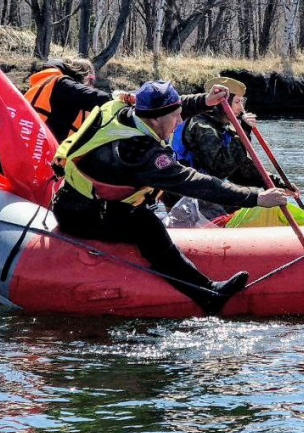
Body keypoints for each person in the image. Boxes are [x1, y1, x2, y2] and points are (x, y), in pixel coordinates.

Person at [51, 80, 290, 314]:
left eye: (179, 114)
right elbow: (194, 183)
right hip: (81, 214)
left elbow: (173, 107)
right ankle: (207, 294)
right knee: (146, 225)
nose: (179, 122)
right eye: (175, 118)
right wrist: (256, 198)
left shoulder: (121, 109)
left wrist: (205, 101)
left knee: (143, 215)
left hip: (83, 200)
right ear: (154, 119)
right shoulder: (138, 152)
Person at [0, 57, 126, 175]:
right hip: (15, 165)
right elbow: (99, 99)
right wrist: (123, 100)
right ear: (85, 77)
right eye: (91, 81)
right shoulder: (63, 85)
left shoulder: (43, 86)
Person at [170, 76, 286, 219]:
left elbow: (239, 169)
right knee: (233, 211)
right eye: (237, 102)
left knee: (249, 204)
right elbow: (220, 166)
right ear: (221, 103)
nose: (241, 108)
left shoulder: (223, 127)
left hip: (210, 190)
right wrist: (244, 133)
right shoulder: (201, 126)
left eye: (242, 102)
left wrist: (275, 183)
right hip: (189, 195)